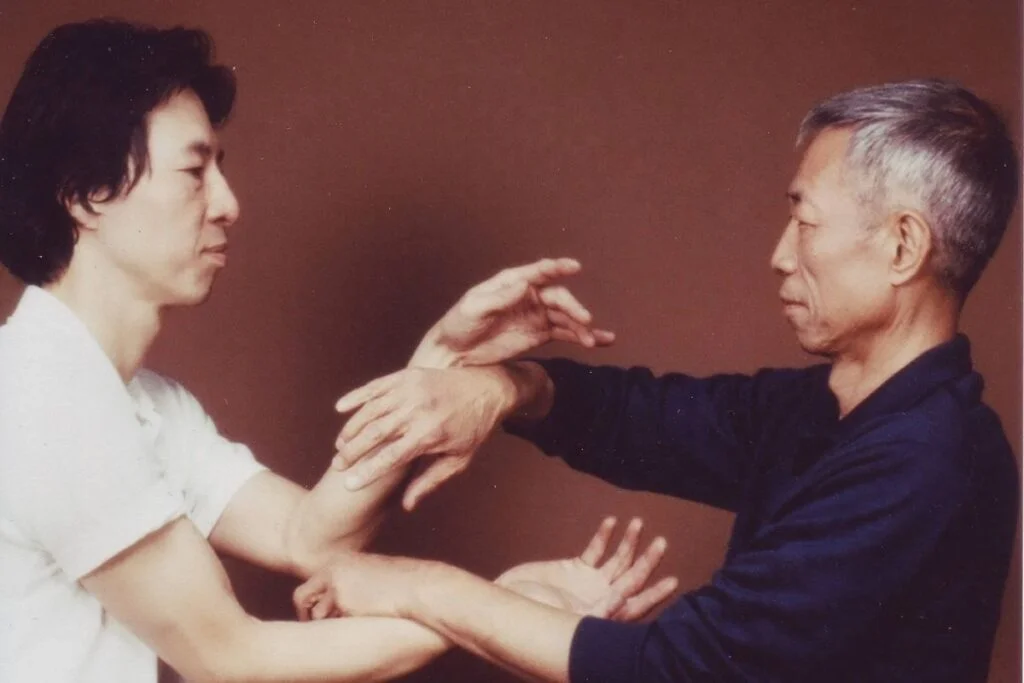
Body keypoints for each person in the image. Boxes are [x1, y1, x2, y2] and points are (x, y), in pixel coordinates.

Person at [0, 19, 678, 683]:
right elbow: (231, 656)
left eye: (221, 170)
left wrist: (437, 360)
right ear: (86, 195)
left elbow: (307, 535)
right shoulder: (48, 400)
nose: (229, 203)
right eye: (194, 171)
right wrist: (506, 609)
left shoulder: (139, 402)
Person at [308, 78, 1021, 682]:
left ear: (902, 245)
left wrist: (418, 585)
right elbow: (652, 419)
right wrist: (507, 386)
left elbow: (686, 665)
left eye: (803, 220)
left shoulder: (930, 457)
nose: (778, 255)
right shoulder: (834, 405)